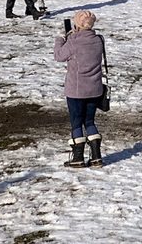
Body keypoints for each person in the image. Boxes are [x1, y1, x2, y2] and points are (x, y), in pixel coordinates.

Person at [54, 10, 106, 168]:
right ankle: (96, 157)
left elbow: (59, 56)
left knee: (76, 123)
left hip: (76, 90)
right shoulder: (99, 40)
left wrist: (60, 38)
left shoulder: (73, 42)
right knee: (89, 121)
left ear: (77, 24)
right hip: (95, 89)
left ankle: (78, 157)